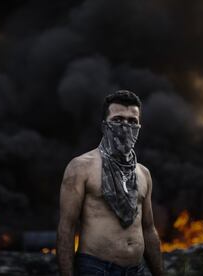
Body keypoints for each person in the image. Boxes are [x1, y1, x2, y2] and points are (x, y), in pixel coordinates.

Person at [57, 90, 163, 276]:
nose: (125, 126)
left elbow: (148, 229)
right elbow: (66, 228)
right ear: (104, 126)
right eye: (118, 119)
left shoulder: (143, 173)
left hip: (136, 269)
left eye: (132, 121)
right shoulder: (81, 167)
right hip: (96, 268)